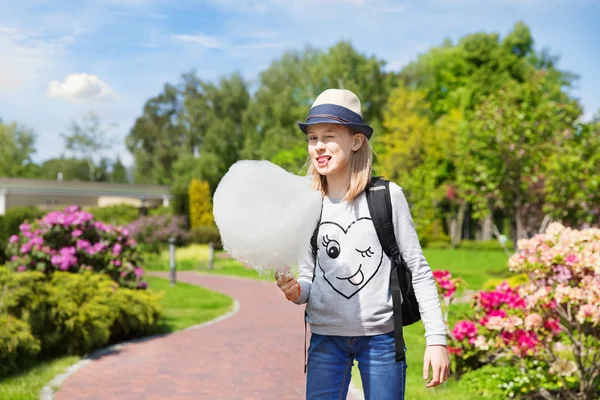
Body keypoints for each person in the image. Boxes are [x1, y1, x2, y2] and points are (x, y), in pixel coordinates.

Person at [276, 89, 450, 399]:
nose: (318, 147)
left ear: (356, 141)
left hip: (380, 341)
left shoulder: (387, 196)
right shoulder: (308, 204)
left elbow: (419, 271)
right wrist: (296, 290)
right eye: (312, 138)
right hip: (325, 341)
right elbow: (309, 275)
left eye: (329, 136)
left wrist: (436, 340)